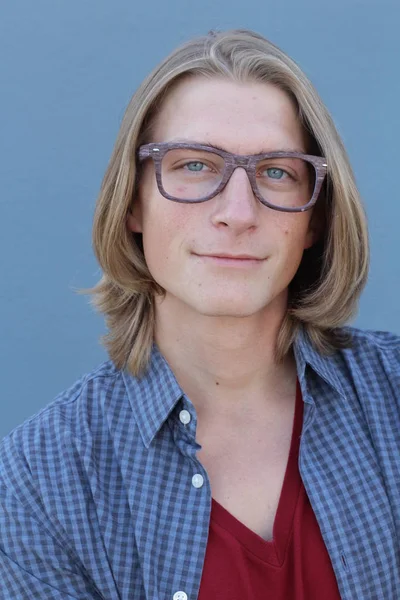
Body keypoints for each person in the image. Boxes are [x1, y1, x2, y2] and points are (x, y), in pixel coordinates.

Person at [0, 28, 399, 600]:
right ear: (133, 202)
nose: (237, 213)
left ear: (315, 219)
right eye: (194, 166)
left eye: (277, 172)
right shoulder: (41, 481)